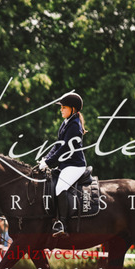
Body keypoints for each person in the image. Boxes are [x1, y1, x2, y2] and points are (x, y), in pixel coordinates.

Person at [38, 93, 88, 237]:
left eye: (64, 107)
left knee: (60, 187)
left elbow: (65, 148)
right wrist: (45, 159)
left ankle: (62, 224)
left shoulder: (74, 125)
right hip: (66, 164)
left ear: (73, 109)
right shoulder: (66, 122)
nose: (61, 110)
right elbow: (57, 145)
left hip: (75, 165)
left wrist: (49, 162)